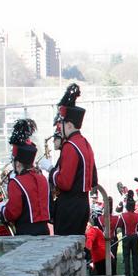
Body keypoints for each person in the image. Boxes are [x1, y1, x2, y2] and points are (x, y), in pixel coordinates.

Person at [43, 84, 96, 236]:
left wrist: (51, 169)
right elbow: (93, 179)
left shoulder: (70, 146)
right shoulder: (85, 143)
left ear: (70, 125)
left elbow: (65, 183)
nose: (59, 129)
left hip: (69, 206)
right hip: (83, 204)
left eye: (62, 124)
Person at [0, 119, 51, 236]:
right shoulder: (42, 179)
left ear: (18, 163)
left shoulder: (16, 182)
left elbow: (13, 213)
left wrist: (2, 209)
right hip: (45, 231)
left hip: (25, 232)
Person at [117, 191, 138, 276]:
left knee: (126, 256)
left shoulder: (122, 215)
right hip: (135, 236)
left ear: (127, 206)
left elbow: (119, 225)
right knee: (135, 255)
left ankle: (127, 274)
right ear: (133, 206)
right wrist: (137, 229)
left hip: (126, 236)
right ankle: (136, 273)